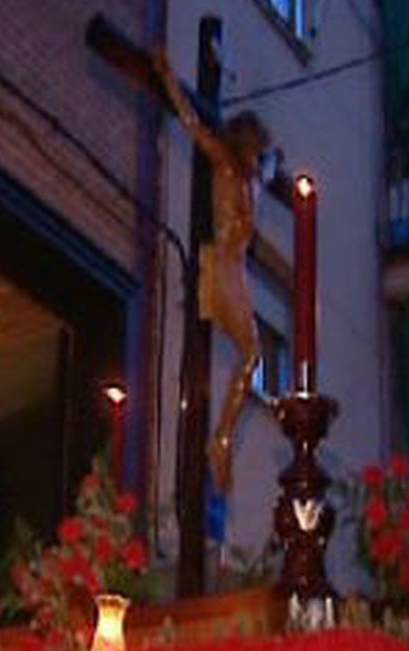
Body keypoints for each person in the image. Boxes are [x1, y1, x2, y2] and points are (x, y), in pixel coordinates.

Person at [153, 50, 271, 494]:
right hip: (220, 261)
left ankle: (221, 436)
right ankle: (219, 438)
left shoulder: (249, 178)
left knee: (252, 353)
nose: (259, 157)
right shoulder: (223, 160)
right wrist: (167, 78)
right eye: (256, 148)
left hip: (235, 266)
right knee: (251, 350)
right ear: (243, 142)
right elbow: (192, 124)